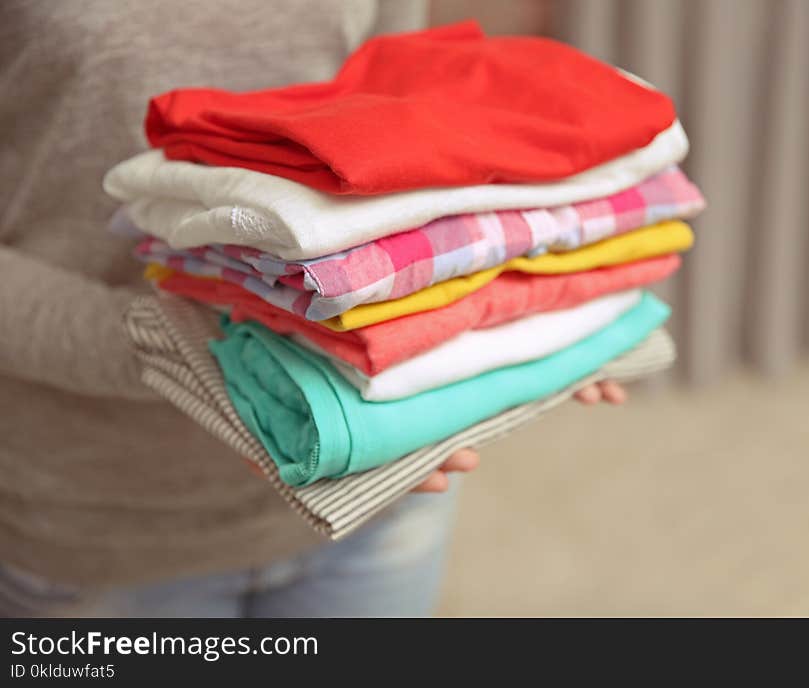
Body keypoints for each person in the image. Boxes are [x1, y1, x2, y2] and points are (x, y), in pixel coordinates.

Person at [0, 0, 626, 618]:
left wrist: (538, 316)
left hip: (372, 481)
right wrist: (187, 352)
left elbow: (396, 130)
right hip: (101, 519)